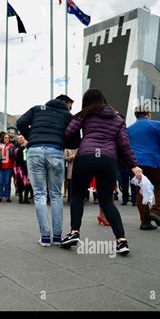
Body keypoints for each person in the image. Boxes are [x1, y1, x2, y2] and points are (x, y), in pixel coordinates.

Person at [62, 89, 141, 254]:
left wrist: (79, 141)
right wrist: (134, 165)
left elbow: (69, 132)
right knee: (107, 201)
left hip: (86, 157)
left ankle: (74, 232)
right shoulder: (118, 118)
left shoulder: (84, 114)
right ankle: (121, 241)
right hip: (108, 159)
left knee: (77, 195)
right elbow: (124, 144)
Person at [17, 94, 75, 247]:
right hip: (55, 151)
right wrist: (61, 140)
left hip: (35, 151)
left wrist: (33, 137)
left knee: (40, 194)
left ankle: (44, 237)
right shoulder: (67, 115)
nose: (71, 108)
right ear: (66, 104)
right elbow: (75, 137)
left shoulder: (37, 109)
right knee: (56, 194)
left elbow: (20, 122)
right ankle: (57, 237)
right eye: (70, 105)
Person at [127, 105, 160, 230]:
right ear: (148, 113)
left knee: (140, 190)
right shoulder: (157, 125)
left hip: (136, 165)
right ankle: (156, 211)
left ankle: (145, 222)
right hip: (154, 162)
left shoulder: (129, 129)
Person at [0, 132, 14, 202]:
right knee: (0, 182)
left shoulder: (11, 146)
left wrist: (7, 148)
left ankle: (7, 197)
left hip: (8, 167)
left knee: (7, 182)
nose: (7, 139)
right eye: (5, 138)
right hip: (0, 167)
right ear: (2, 138)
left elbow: (12, 155)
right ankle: (0, 196)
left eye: (8, 138)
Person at [13, 135, 32, 204]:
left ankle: (26, 197)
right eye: (18, 138)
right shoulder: (16, 147)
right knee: (20, 183)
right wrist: (23, 147)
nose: (20, 139)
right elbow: (16, 155)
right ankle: (20, 197)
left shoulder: (28, 147)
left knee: (28, 183)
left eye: (21, 138)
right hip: (19, 168)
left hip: (28, 167)